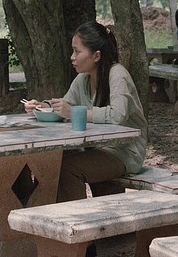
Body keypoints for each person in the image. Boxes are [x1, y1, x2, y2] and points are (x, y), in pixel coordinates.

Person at [24, 21, 148, 203]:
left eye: (77, 51)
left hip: (123, 152)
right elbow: (66, 105)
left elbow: (118, 115)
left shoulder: (118, 75)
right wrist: (43, 106)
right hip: (95, 148)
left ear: (96, 55)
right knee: (51, 161)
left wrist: (73, 112)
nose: (72, 57)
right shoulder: (82, 79)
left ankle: (78, 218)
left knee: (67, 168)